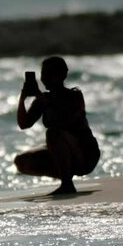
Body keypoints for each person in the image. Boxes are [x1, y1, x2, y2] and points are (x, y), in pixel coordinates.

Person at [14, 56, 100, 194]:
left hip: (85, 154)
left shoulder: (75, 96)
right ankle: (66, 176)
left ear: (61, 75)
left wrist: (41, 98)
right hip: (65, 151)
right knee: (22, 161)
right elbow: (24, 124)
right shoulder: (44, 99)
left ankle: (67, 184)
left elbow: (63, 121)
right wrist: (23, 98)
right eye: (43, 74)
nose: (44, 79)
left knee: (53, 133)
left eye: (48, 74)